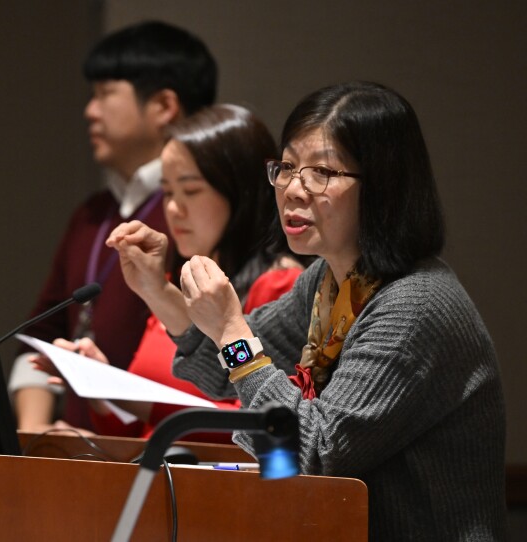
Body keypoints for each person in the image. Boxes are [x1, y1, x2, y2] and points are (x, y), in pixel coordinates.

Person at [127, 82, 505, 539]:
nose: (293, 189)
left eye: (322, 171)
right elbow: (218, 368)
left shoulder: (415, 305)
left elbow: (315, 452)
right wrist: (157, 291)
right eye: (286, 167)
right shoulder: (328, 285)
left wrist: (232, 332)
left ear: (382, 186)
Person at [42, 104, 302, 441]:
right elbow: (146, 434)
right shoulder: (179, 287)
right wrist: (102, 391)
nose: (174, 209)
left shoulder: (279, 284)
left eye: (191, 191)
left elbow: (264, 422)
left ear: (239, 192)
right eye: (167, 192)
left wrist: (132, 399)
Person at [9, 21, 217, 433]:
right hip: (79, 454)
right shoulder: (92, 213)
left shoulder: (199, 216)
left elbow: (216, 368)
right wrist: (35, 433)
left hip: (165, 456)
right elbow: (40, 335)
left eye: (105, 94)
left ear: (163, 106)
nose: (90, 110)